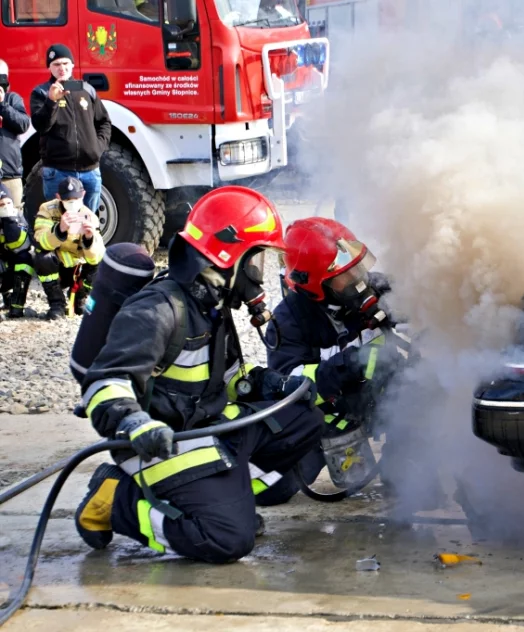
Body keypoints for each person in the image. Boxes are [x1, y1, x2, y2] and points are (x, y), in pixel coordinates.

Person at [72, 186, 364, 564]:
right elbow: (104, 381)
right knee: (227, 540)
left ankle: (225, 497)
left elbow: (228, 380)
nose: (259, 274)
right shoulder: (159, 309)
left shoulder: (212, 307)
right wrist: (134, 423)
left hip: (207, 428)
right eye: (256, 259)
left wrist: (273, 384)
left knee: (306, 419)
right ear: (229, 256)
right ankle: (117, 500)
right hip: (164, 442)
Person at [258, 217, 402, 506]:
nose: (358, 279)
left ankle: (403, 464)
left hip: (379, 400)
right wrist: (349, 365)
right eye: (344, 275)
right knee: (272, 491)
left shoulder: (377, 288)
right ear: (316, 285)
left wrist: (405, 310)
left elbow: (430, 305)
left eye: (357, 268)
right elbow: (288, 386)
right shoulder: (287, 321)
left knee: (421, 385)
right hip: (324, 419)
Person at [30, 44, 111, 215]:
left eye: (65, 63)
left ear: (73, 64)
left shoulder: (86, 89)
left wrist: (97, 148)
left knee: (88, 223)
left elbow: (104, 122)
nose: (62, 68)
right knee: (59, 223)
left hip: (90, 171)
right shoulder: (41, 92)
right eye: (56, 64)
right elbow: (41, 126)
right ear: (49, 67)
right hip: (58, 172)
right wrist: (51, 101)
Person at [33, 177, 104, 319]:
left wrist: (89, 238)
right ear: (59, 197)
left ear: (83, 194)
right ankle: (57, 304)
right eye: (67, 199)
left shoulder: (89, 216)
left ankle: (81, 296)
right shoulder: (47, 210)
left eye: (75, 198)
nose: (72, 203)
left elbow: (96, 257)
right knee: (42, 257)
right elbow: (41, 241)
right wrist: (59, 230)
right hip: (57, 266)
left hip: (77, 268)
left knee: (101, 262)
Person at [0, 59, 32, 211]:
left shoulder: (12, 99)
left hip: (9, 175)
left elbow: (23, 124)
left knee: (14, 219)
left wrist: (3, 105)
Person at [0, 183, 33, 319]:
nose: (5, 206)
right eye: (1, 204)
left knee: (25, 259)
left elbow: (21, 245)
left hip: (11, 262)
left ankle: (16, 306)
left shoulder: (18, 216)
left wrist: (9, 221)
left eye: (8, 203)